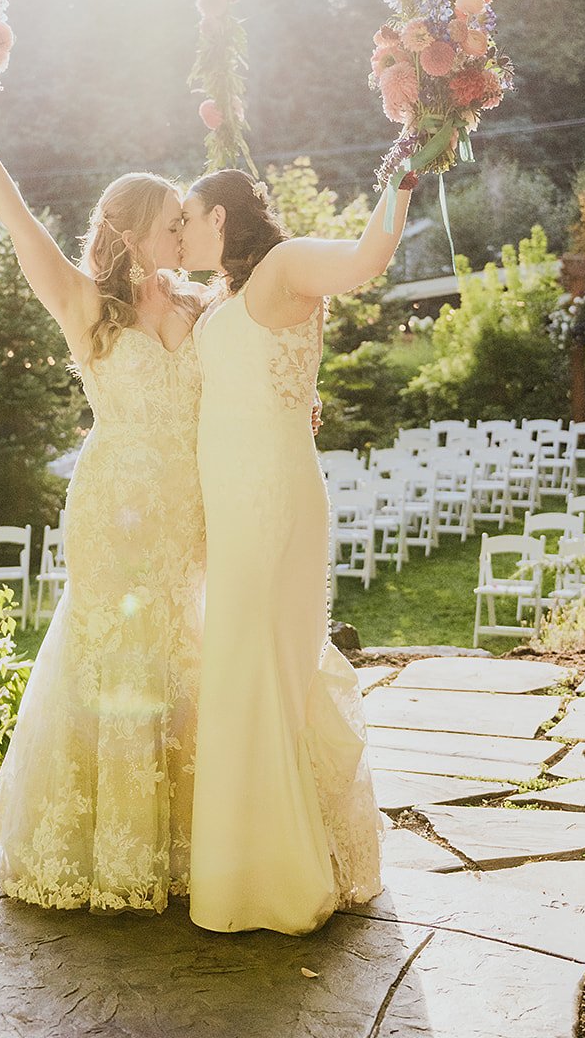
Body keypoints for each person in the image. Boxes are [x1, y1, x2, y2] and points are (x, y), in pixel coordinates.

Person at [0, 98, 207, 912]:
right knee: (118, 654)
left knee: (189, 651)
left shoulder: (206, 307)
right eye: (172, 222)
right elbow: (17, 217)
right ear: (130, 232)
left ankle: (196, 837)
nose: (184, 233)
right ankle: (104, 846)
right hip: (114, 508)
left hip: (192, 507)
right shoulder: (85, 306)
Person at [179, 166, 417, 935]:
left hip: (270, 495)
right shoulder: (224, 296)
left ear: (218, 216)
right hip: (232, 497)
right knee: (240, 663)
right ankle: (244, 863)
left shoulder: (283, 266)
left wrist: (403, 174)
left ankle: (269, 877)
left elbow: (362, 262)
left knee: (257, 663)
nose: (179, 232)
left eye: (186, 219)